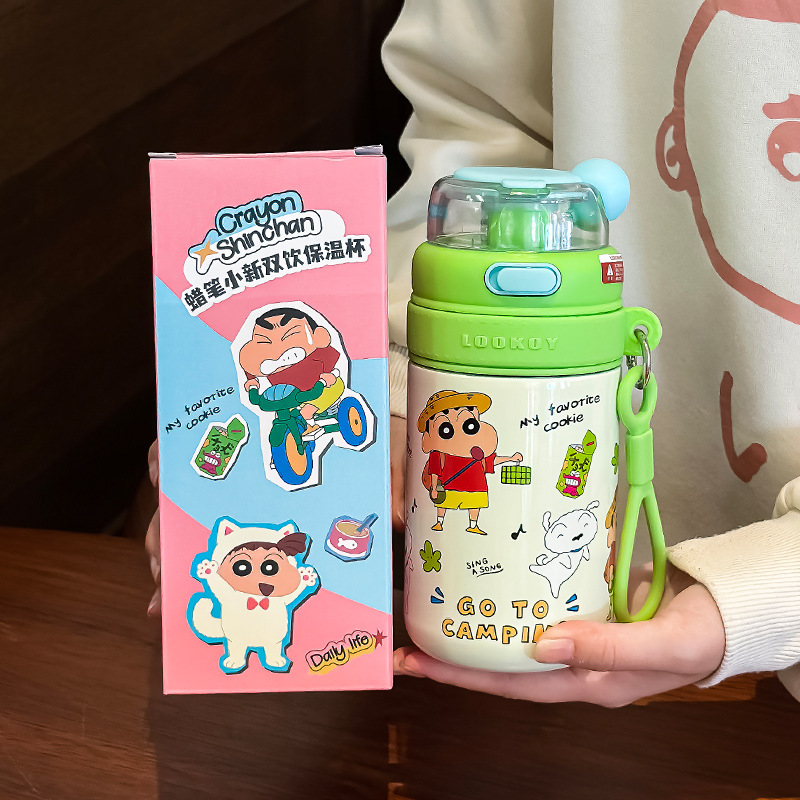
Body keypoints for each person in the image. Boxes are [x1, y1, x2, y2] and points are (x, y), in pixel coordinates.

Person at [383, 0, 800, 705]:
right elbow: (481, 117)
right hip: (636, 616)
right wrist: (398, 377)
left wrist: (775, 586)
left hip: (715, 613)